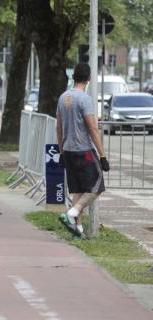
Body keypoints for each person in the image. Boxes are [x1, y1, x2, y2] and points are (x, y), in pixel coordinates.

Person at [56, 63, 110, 237]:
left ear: (74, 77)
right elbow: (93, 128)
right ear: (89, 78)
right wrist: (102, 155)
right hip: (84, 151)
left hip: (68, 151)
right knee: (97, 186)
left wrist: (61, 152)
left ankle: (77, 230)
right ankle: (72, 213)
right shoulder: (84, 99)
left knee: (78, 190)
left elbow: (59, 127)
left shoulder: (63, 98)